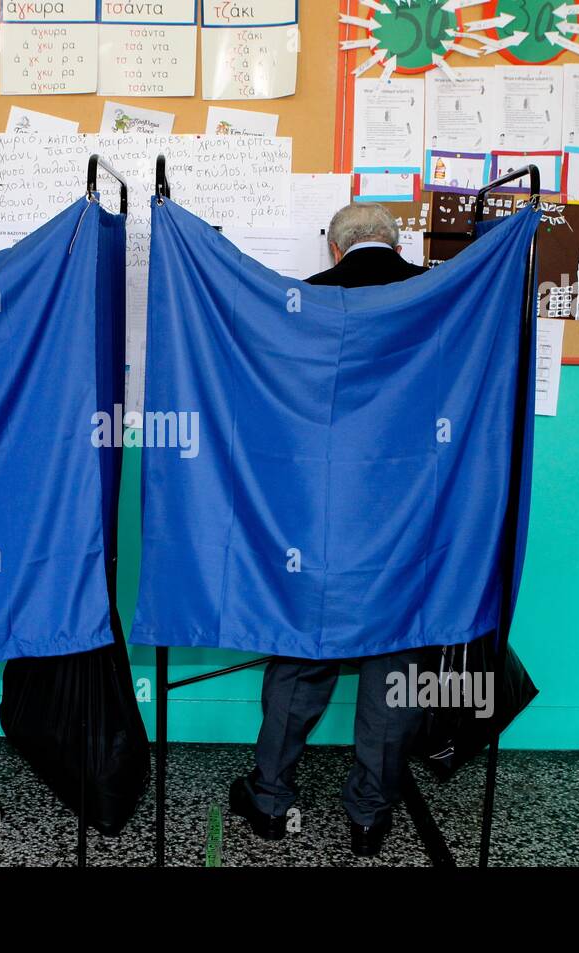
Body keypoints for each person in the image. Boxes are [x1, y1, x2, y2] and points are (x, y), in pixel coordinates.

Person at [229, 202, 429, 857]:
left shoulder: (303, 303)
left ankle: (270, 798)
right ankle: (369, 816)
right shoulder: (438, 295)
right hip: (408, 521)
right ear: (394, 244)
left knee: (301, 659)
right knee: (396, 668)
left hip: (316, 521)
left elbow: (269, 411)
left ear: (335, 249)